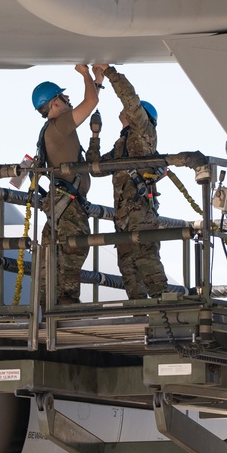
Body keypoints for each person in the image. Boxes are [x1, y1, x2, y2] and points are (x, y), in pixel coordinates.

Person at [93, 63, 168, 300]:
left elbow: (130, 100)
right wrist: (95, 136)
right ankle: (140, 313)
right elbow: (96, 169)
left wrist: (109, 73)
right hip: (123, 217)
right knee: (128, 268)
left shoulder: (143, 133)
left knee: (147, 261)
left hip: (140, 214)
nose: (126, 110)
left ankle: (165, 310)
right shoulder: (121, 144)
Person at [31, 64, 104, 306]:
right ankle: (64, 309)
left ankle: (43, 313)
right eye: (63, 97)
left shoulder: (52, 128)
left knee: (52, 258)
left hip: (59, 202)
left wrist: (98, 81)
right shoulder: (61, 124)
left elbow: (90, 101)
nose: (68, 99)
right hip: (69, 205)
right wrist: (85, 74)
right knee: (72, 254)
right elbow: (90, 103)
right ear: (54, 104)